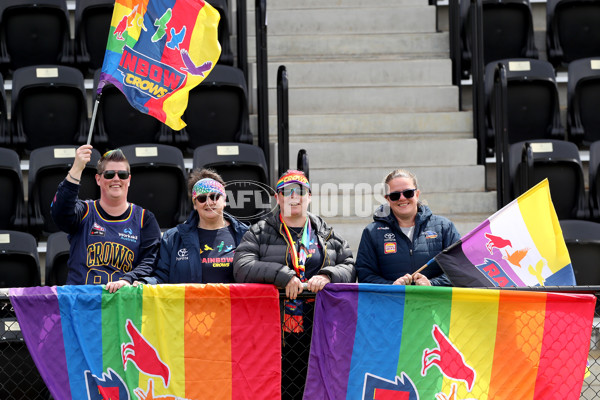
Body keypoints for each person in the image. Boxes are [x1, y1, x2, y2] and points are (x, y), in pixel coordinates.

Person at [233, 169, 355, 399]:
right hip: (273, 329)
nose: (294, 197)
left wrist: (328, 275)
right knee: (278, 388)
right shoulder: (260, 231)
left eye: (300, 191)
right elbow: (241, 267)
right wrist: (282, 275)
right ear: (277, 198)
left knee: (317, 386)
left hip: (320, 327)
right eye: (286, 192)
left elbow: (349, 265)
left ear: (309, 196)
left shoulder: (326, 233)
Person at [51, 145, 161, 292]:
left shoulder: (144, 219)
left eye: (122, 174)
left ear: (129, 179)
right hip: (82, 303)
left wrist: (128, 279)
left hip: (122, 304)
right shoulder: (84, 211)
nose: (116, 179)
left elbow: (150, 261)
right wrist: (77, 168)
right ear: (98, 179)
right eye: (109, 174)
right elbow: (59, 212)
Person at [355, 169, 461, 286]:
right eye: (395, 195)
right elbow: (365, 276)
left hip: (435, 302)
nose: (402, 198)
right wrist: (392, 286)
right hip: (393, 302)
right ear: (387, 199)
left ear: (417, 194)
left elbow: (460, 269)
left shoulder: (444, 227)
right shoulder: (372, 232)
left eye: (408, 193)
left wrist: (432, 284)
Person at [143, 169, 248, 284]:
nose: (208, 202)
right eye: (202, 198)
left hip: (232, 302)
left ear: (224, 200)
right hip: (190, 302)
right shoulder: (173, 238)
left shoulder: (246, 235)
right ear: (195, 204)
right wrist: (140, 284)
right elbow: (161, 277)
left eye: (214, 196)